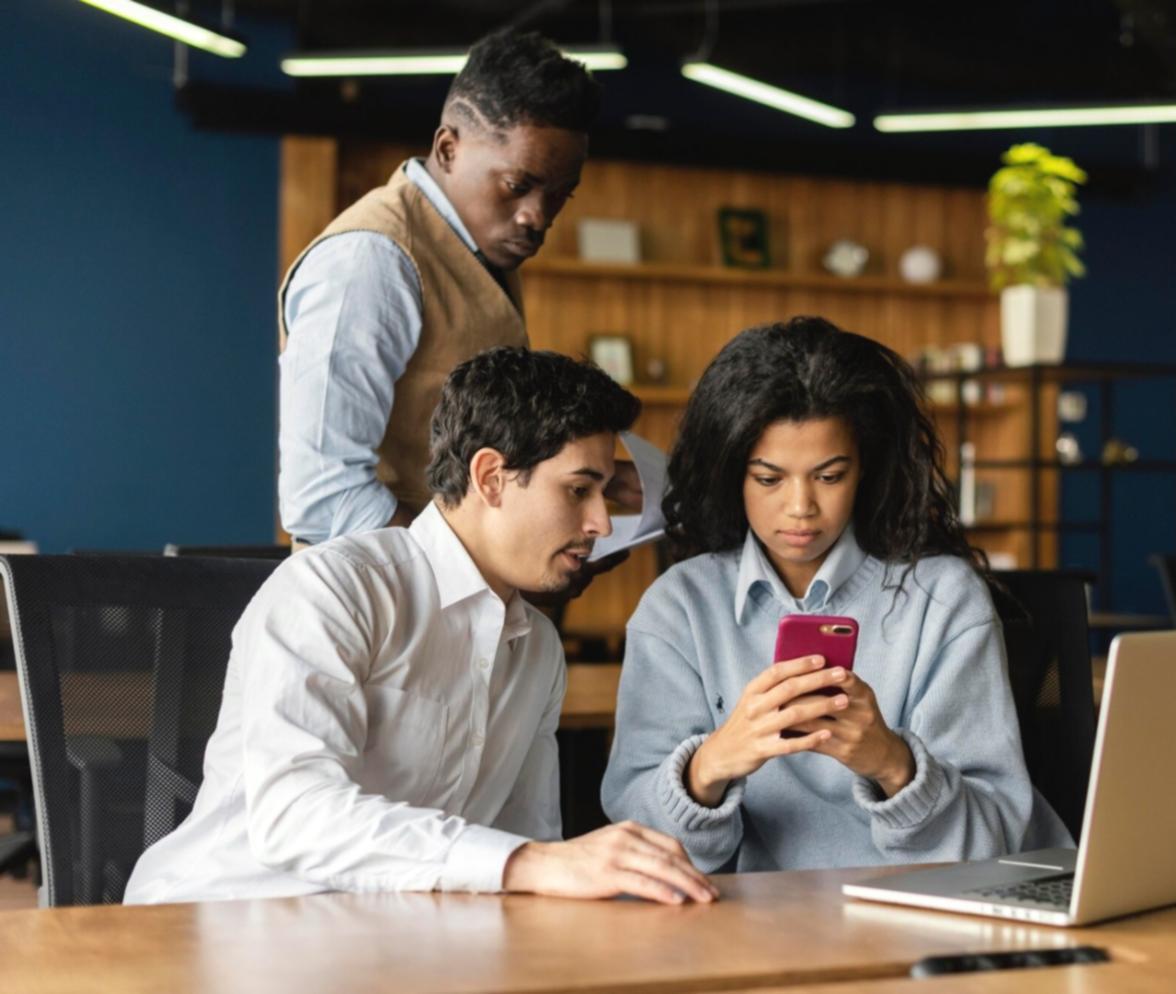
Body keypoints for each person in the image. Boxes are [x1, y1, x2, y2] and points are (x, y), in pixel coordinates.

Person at [127, 348, 716, 906]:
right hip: (223, 926)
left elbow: (525, 839)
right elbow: (292, 815)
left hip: (393, 942)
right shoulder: (334, 590)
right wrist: (532, 865)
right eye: (579, 490)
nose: (600, 525)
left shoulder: (536, 649)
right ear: (490, 478)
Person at [601, 317, 1071, 872]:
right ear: (731, 473)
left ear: (865, 472)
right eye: (769, 478)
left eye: (829, 476)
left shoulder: (942, 599)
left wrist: (894, 764)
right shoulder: (678, 606)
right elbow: (640, 846)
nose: (800, 508)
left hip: (928, 917)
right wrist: (708, 766)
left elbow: (990, 843)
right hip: (755, 927)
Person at [278, 30, 607, 546]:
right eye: (517, 186)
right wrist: (459, 576)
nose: (537, 216)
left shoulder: (483, 247)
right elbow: (324, 494)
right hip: (374, 609)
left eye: (559, 195)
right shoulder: (370, 261)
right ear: (448, 147)